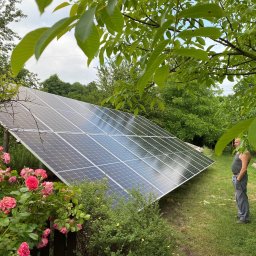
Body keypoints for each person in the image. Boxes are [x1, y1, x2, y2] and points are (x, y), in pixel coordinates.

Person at [231, 138, 252, 224]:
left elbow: (244, 169)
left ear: (242, 143)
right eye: (234, 142)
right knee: (238, 197)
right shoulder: (239, 151)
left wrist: (238, 179)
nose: (235, 144)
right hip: (236, 176)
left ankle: (245, 218)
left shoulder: (244, 153)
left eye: (237, 142)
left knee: (241, 198)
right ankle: (241, 214)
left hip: (240, 178)